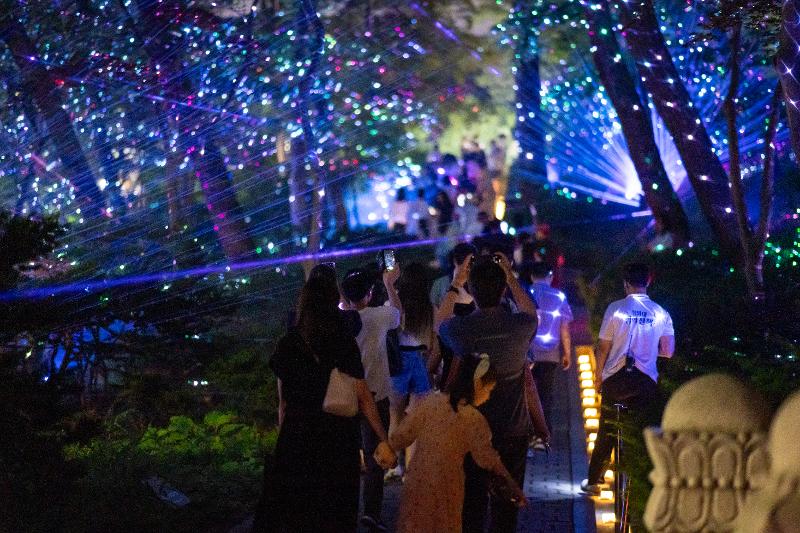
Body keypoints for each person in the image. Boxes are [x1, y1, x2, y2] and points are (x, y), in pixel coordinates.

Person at [265, 272, 396, 532]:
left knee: (302, 512)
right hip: (337, 440)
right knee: (337, 511)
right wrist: (383, 437)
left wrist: (284, 441)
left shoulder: (288, 344)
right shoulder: (343, 343)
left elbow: (284, 402)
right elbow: (363, 395)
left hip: (298, 438)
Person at [439, 254, 549, 533]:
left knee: (472, 506)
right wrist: (510, 276)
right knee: (506, 509)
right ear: (502, 290)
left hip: (472, 432)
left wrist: (455, 283)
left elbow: (439, 322)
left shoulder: (461, 330)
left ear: (472, 291)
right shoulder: (520, 327)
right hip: (512, 431)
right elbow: (531, 313)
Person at [390, 355, 527, 533]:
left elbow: (400, 436)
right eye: (488, 389)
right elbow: (489, 460)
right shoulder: (472, 419)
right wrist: (513, 486)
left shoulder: (430, 402)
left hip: (417, 481)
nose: (487, 396)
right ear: (477, 384)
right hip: (446, 485)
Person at [581, 263, 675, 495]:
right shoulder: (661, 312)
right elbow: (668, 350)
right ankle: (644, 483)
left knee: (607, 428)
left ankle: (594, 481)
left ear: (625, 284)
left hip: (615, 381)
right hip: (645, 383)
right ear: (648, 281)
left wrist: (598, 377)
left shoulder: (615, 308)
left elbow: (603, 348)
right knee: (642, 431)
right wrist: (650, 350)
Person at [341, 268, 402, 531]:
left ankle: (345, 510)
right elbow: (399, 315)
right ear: (369, 293)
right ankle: (371, 513)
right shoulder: (379, 316)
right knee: (375, 453)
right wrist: (390, 284)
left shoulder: (342, 320)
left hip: (345, 397)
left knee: (346, 455)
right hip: (375, 394)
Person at [526, 262, 573, 448]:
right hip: (551, 355)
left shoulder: (525, 294)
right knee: (546, 396)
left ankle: (528, 435)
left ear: (531, 277)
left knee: (527, 396)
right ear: (550, 277)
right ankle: (544, 437)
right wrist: (567, 353)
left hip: (528, 355)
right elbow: (565, 328)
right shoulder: (559, 296)